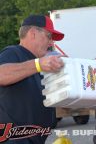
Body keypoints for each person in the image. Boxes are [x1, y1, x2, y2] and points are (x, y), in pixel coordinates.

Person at [0, 15, 65, 144]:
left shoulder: (38, 63)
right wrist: (38, 64)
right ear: (33, 33)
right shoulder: (13, 53)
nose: (52, 43)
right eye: (48, 36)